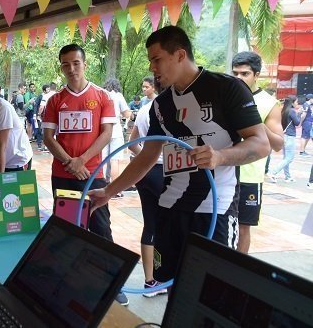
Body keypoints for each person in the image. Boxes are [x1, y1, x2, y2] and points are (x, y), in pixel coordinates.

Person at [88, 26, 270, 285]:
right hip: (170, 208)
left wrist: (219, 156)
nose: (152, 67)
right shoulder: (161, 105)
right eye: (150, 61)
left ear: (180, 55)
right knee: (170, 284)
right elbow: (147, 156)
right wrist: (108, 191)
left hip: (213, 209)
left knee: (210, 291)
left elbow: (261, 144)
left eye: (157, 59)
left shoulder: (227, 88)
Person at [42, 44, 125, 304]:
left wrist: (83, 161)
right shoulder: (55, 100)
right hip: (63, 173)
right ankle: (64, 276)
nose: (71, 68)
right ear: (61, 66)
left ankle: (112, 282)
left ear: (84, 63)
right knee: (66, 224)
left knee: (101, 225)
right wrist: (70, 162)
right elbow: (48, 137)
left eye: (76, 62)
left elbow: (107, 134)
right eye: (66, 64)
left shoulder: (102, 96)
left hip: (93, 174)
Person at [231, 51, 284, 254]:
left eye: (244, 74)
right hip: (225, 171)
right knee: (218, 222)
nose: (239, 78)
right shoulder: (227, 96)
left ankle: (236, 273)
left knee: (244, 227)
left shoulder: (269, 103)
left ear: (257, 74)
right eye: (235, 73)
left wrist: (256, 123)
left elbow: (278, 144)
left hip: (250, 176)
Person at [127, 83, 167, 297]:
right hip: (163, 173)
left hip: (145, 174)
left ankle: (150, 281)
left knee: (150, 225)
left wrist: (145, 160)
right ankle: (165, 277)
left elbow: (132, 143)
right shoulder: (171, 108)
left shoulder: (144, 109)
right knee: (171, 226)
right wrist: (154, 158)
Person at [102, 77, 131, 186]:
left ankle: (102, 185)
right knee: (115, 160)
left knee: (103, 160)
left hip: (103, 131)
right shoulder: (118, 96)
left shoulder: (102, 95)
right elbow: (127, 114)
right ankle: (114, 188)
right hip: (116, 131)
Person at [269, 96, 302, 183]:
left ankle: (287, 176)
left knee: (286, 157)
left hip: (284, 136)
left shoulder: (284, 110)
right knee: (289, 158)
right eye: (296, 102)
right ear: (292, 102)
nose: (297, 103)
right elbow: (297, 123)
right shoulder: (292, 111)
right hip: (290, 136)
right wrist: (299, 114)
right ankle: (273, 172)